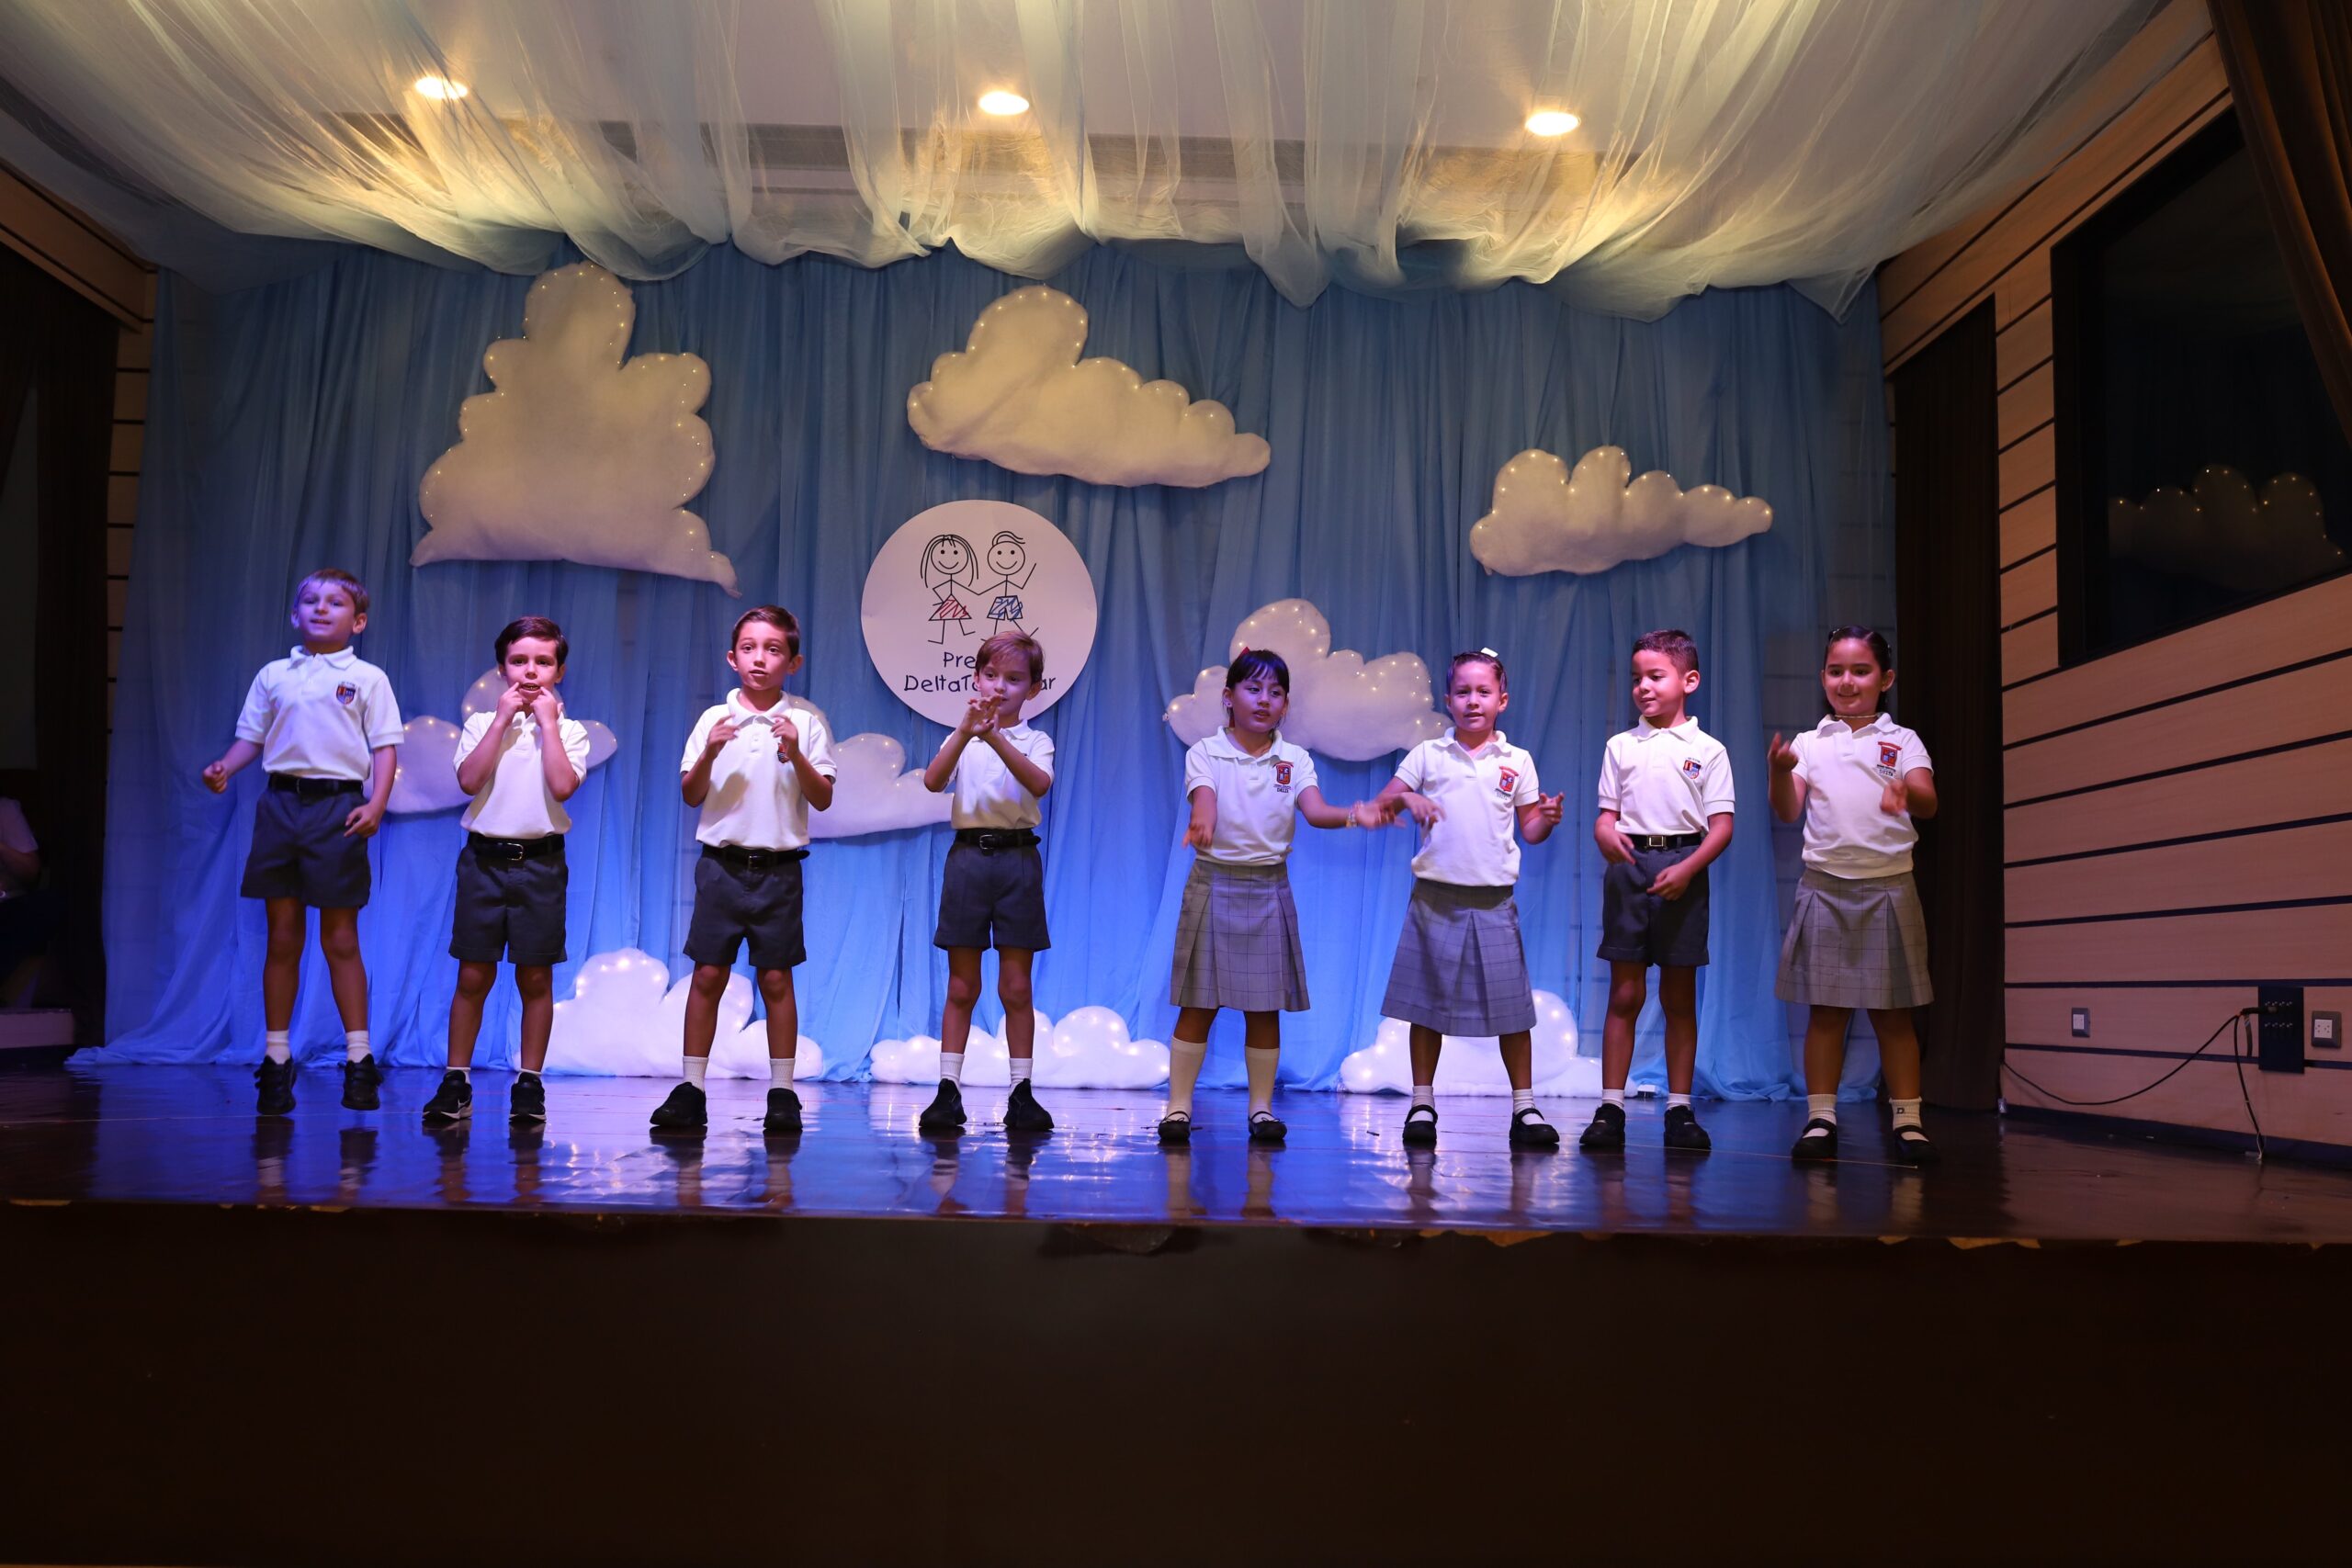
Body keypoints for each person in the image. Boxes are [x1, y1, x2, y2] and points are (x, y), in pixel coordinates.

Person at [1159, 649, 1391, 1145]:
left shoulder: (1295, 759)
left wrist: (1357, 814)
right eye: (1253, 688)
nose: (1264, 699)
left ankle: (1261, 1109)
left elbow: (1316, 811)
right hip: (1214, 884)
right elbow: (1204, 798)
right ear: (1229, 697)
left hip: (1268, 888)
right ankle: (1178, 1108)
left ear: (1285, 705)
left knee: (1264, 1009)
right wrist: (1203, 820)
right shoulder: (1205, 752)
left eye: (1276, 692)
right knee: (1198, 1004)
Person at [202, 569, 401, 1116]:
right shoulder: (274, 675)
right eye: (310, 601)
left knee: (340, 938)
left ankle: (359, 1059)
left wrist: (376, 804)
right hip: (280, 807)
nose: (321, 609)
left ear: (358, 621)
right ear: (295, 615)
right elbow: (251, 738)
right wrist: (226, 767)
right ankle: (276, 1057)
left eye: (335, 603)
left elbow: (385, 748)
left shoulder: (367, 678)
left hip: (338, 809)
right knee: (283, 936)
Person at [1368, 649, 1566, 1150]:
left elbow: (1531, 829)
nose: (1473, 701)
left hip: (1493, 900)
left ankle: (1524, 1107)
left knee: (1512, 1009)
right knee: (1426, 1006)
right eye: (1463, 692)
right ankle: (1422, 1103)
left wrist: (1546, 819)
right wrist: (1407, 797)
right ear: (1448, 699)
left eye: (1483, 692)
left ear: (1502, 700)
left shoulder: (1517, 761)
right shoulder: (1428, 755)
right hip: (1435, 898)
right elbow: (1384, 801)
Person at [651, 606, 837, 1134]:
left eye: (774, 649)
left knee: (776, 978)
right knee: (708, 974)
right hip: (721, 867)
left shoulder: (806, 722)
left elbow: (822, 797)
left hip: (779, 870)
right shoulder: (714, 719)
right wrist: (710, 752)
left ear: (793, 662)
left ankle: (783, 1091)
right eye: (750, 648)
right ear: (732, 658)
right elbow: (691, 794)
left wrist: (795, 753)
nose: (760, 658)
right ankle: (691, 1088)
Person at [1769, 626, 1939, 1165]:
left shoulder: (1903, 740)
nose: (1847, 681)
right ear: (1823, 678)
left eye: (1861, 671)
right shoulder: (1809, 743)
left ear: (1885, 679)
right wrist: (1778, 772)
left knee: (1893, 1014)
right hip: (1825, 887)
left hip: (1889, 886)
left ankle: (1908, 1121)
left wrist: (1906, 791)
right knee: (1827, 1013)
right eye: (1836, 671)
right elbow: (1788, 810)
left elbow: (1929, 802)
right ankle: (1821, 1119)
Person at [420, 616, 591, 1125]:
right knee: (473, 973)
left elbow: (562, 786)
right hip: (484, 862)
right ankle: (457, 1081)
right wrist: (500, 721)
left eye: (543, 662)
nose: (530, 671)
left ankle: (530, 1084)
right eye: (519, 661)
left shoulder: (570, 731)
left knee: (535, 976)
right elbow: (469, 781)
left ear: (559, 671)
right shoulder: (481, 724)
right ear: (502, 669)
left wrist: (548, 725)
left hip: (540, 864)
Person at [1581, 628, 1735, 1155]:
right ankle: (1611, 1107)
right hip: (1630, 868)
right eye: (1636, 678)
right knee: (1625, 993)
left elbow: (1721, 827)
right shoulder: (1621, 746)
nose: (1643, 687)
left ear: (1688, 681)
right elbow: (1607, 816)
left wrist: (1688, 869)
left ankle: (1680, 1108)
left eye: (1655, 676)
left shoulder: (1708, 750)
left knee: (1678, 996)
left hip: (1682, 866)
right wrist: (1604, 832)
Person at [919, 631, 1055, 1136]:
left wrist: (994, 735)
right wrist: (966, 732)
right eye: (991, 675)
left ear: (1032, 689)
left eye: (1014, 679)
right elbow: (933, 781)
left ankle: (1021, 1091)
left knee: (1016, 986)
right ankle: (947, 1089)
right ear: (976, 679)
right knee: (962, 984)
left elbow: (1038, 783)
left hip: (1017, 860)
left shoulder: (1035, 741)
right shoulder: (963, 735)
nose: (1000, 687)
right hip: (968, 859)